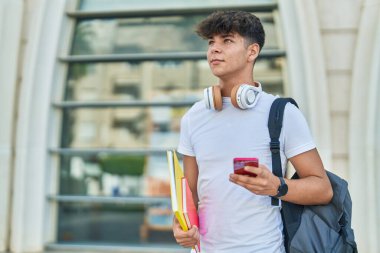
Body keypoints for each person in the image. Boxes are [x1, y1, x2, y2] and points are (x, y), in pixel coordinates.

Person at [173, 10, 333, 252]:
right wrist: (181, 226)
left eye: (227, 40)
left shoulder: (281, 113)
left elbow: (323, 189)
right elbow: (190, 195)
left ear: (252, 51)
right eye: (211, 42)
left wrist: (276, 186)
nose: (214, 49)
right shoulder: (193, 117)